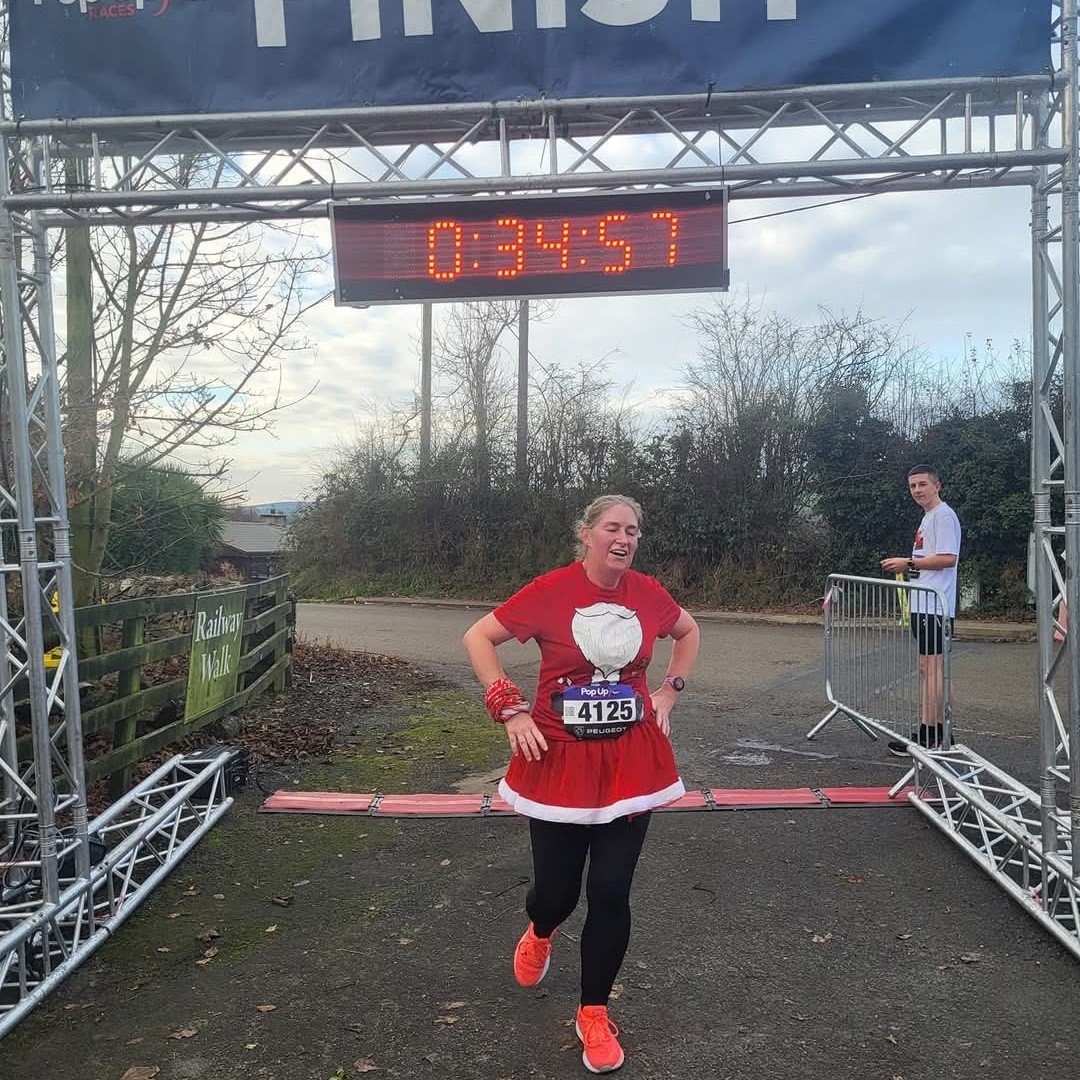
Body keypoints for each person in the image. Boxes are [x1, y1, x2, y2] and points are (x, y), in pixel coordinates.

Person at [463, 494, 699, 1075]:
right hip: (559, 762)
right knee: (557, 893)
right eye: (613, 528)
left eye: (633, 530)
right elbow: (478, 637)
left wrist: (670, 691)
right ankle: (541, 929)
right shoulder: (551, 590)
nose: (625, 538)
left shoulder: (648, 593)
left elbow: (687, 631)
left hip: (630, 764)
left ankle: (593, 1011)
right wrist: (508, 708)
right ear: (588, 534)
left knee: (612, 892)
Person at [880, 465, 962, 755]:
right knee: (930, 668)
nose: (917, 490)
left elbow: (949, 558)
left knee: (935, 669)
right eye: (913, 486)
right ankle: (935, 733)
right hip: (923, 602)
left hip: (935, 605)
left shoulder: (943, 516)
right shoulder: (928, 517)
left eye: (922, 484)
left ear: (937, 486)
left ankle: (934, 735)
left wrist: (908, 563)